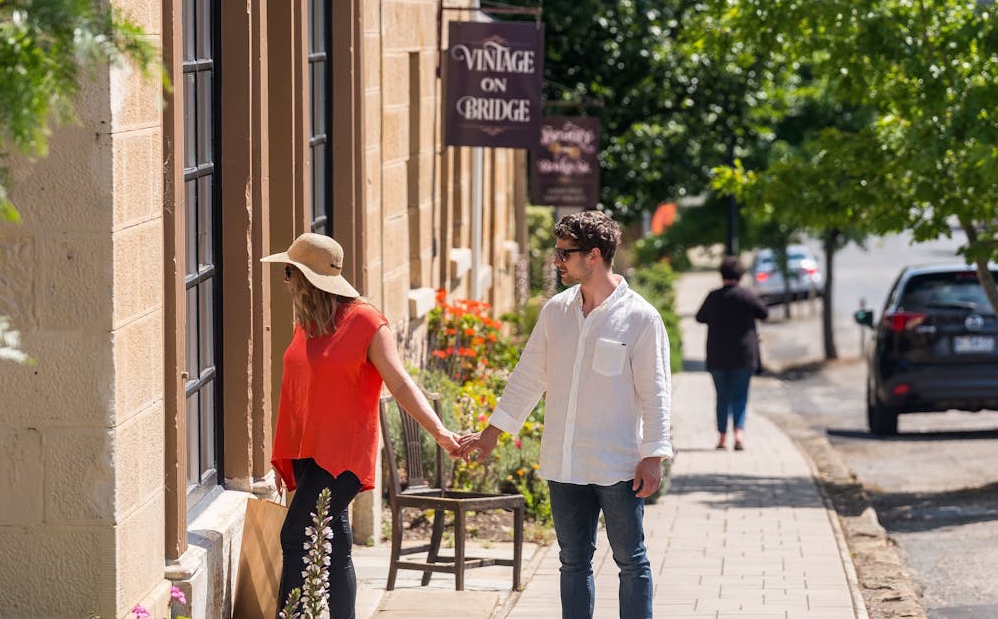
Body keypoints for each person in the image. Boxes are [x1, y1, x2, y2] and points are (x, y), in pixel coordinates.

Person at [456, 210, 672, 619]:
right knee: (572, 562)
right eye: (557, 253)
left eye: (564, 253)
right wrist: (492, 432)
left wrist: (653, 454)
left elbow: (656, 392)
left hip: (619, 463)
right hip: (565, 461)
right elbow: (528, 377)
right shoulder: (556, 311)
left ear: (593, 255)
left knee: (631, 561)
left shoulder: (641, 318)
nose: (557, 262)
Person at [263, 232, 461, 619]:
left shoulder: (367, 322)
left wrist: (439, 431)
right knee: (333, 545)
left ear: (306, 277)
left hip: (342, 454)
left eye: (288, 272)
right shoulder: (309, 321)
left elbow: (400, 382)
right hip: (307, 449)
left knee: (296, 535)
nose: (285, 280)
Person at [695, 256, 768, 451]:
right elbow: (764, 313)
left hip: (717, 356)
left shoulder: (713, 296)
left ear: (721, 275)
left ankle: (721, 437)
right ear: (741, 275)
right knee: (740, 396)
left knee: (722, 397)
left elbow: (699, 317)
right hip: (744, 356)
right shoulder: (747, 296)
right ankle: (739, 434)